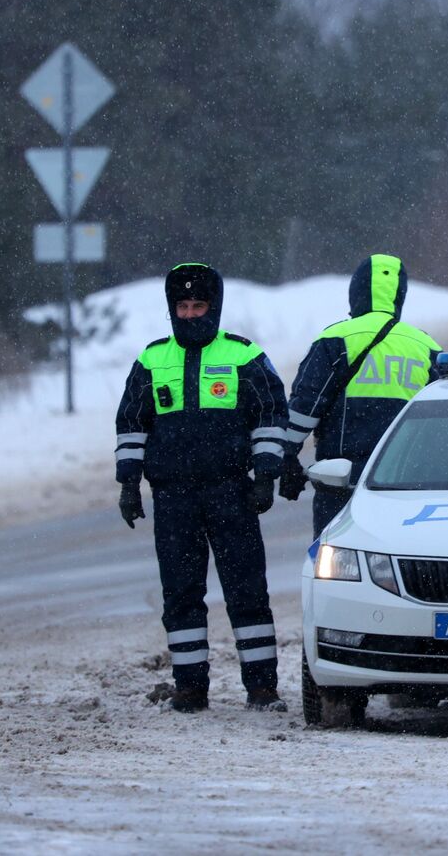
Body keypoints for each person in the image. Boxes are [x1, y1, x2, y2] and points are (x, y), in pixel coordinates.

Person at [114, 263, 291, 713]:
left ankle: (262, 689)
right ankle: (190, 689)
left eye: (199, 306)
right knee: (180, 595)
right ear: (173, 309)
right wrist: (129, 484)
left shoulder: (244, 356)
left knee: (247, 592)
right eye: (183, 306)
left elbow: (271, 413)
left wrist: (266, 474)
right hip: (173, 499)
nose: (191, 315)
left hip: (231, 493)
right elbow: (132, 424)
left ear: (215, 308)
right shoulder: (151, 360)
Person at [279, 254, 446, 536]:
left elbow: (305, 406)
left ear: (355, 293)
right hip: (406, 485)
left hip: (341, 481)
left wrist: (286, 457)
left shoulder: (334, 340)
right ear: (400, 297)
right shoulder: (426, 346)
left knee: (335, 561)